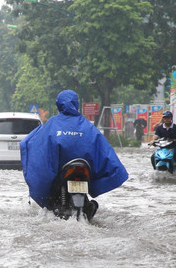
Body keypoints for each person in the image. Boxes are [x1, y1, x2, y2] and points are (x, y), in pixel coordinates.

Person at [21, 90, 129, 218]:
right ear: (76, 104)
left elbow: (40, 149)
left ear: (59, 105)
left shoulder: (52, 124)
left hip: (62, 174)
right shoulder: (88, 126)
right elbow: (104, 152)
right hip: (83, 171)